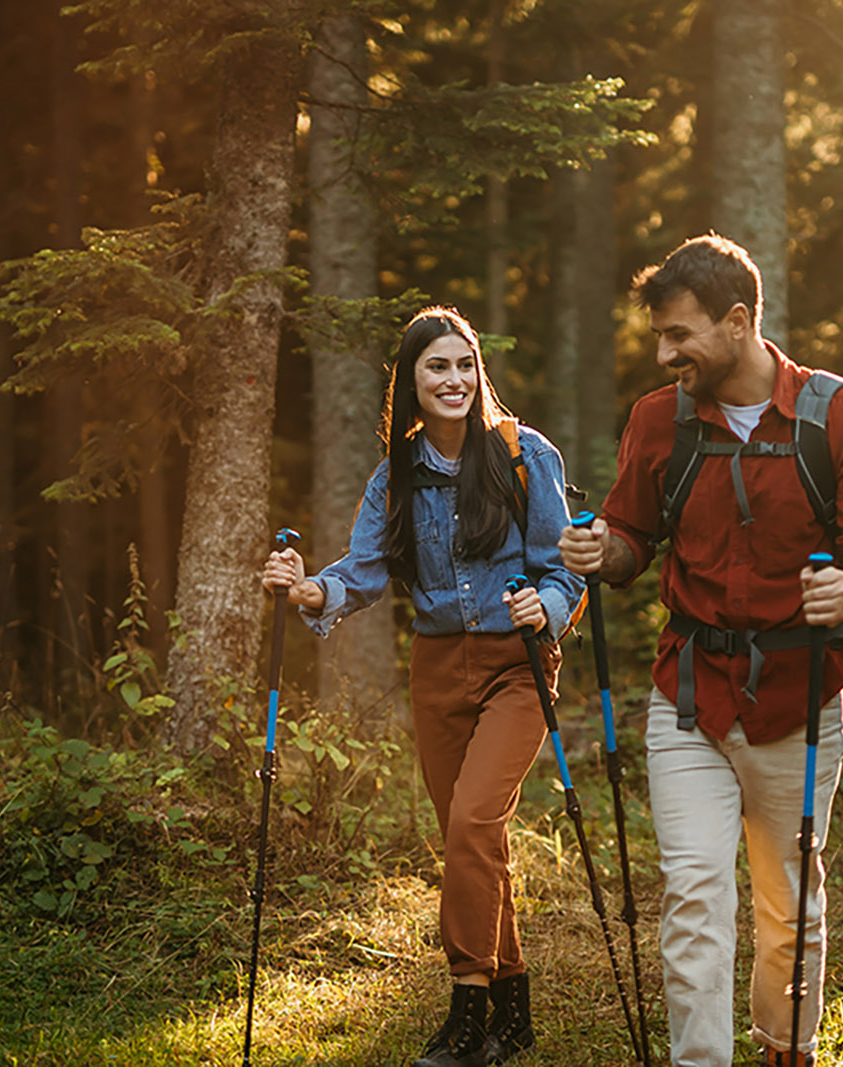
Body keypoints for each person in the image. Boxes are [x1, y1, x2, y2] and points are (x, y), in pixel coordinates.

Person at [559, 235, 843, 1067]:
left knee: (790, 900)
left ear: (739, 321)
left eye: (679, 334)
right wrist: (599, 550)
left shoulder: (840, 414)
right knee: (694, 892)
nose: (663, 352)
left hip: (801, 694)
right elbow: (631, 540)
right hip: (689, 697)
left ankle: (785, 1045)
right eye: (659, 335)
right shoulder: (659, 419)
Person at [262, 306, 584, 1067]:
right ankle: (517, 1005)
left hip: (517, 665)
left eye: (465, 364)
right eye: (438, 367)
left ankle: (468, 1007)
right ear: (411, 381)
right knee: (473, 838)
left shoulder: (524, 455)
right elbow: (362, 572)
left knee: (474, 822)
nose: (455, 379)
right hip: (438, 668)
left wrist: (551, 605)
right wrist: (308, 590)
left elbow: (563, 564)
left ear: (480, 372)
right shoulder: (395, 476)